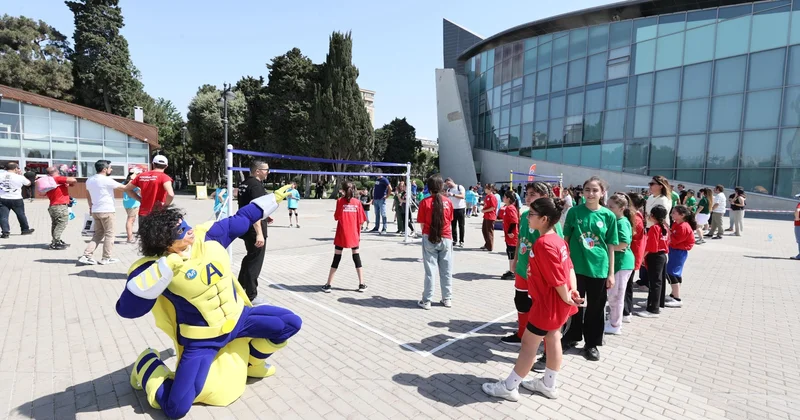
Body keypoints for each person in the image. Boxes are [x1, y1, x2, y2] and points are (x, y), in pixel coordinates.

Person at [118, 185, 300, 419]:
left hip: (239, 319)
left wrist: (272, 198)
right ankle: (147, 365)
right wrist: (162, 271)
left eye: (185, 223)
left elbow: (242, 218)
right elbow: (127, 310)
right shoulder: (152, 267)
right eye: (180, 230)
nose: (189, 229)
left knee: (289, 323)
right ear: (165, 243)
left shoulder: (209, 236)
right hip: (202, 339)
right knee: (176, 408)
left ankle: (252, 364)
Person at [482, 197, 581, 402]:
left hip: (547, 304)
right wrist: (572, 292)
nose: (527, 217)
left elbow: (557, 279)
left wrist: (568, 296)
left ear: (544, 219)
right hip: (557, 304)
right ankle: (548, 384)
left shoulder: (544, 244)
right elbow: (569, 267)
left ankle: (509, 387)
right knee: (553, 338)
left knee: (529, 344)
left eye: (532, 214)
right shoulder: (558, 241)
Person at [502, 182, 563, 365]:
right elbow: (521, 237)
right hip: (523, 269)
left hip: (538, 274)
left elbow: (557, 249)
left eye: (533, 194)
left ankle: (546, 352)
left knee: (541, 311)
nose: (528, 197)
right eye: (527, 194)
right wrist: (515, 260)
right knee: (521, 302)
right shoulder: (526, 215)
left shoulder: (550, 222)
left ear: (545, 197)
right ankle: (521, 333)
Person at [561, 176, 618, 362]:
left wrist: (610, 273)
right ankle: (571, 336)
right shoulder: (574, 212)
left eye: (595, 190)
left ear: (602, 193)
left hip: (599, 269)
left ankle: (591, 343)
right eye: (587, 189)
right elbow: (566, 241)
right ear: (582, 192)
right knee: (574, 304)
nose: (591, 193)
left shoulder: (608, 216)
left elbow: (610, 246)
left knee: (596, 307)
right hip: (575, 268)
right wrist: (564, 266)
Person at [417, 175, 454, 309]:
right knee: (446, 270)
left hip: (429, 238)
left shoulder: (425, 202)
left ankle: (427, 300)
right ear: (441, 187)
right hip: (446, 238)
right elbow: (449, 221)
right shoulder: (448, 202)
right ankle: (447, 298)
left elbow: (422, 224)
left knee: (430, 271)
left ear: (429, 187)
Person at [323, 182, 367, 293]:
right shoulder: (357, 202)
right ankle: (361, 284)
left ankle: (328, 284)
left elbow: (336, 217)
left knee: (336, 258)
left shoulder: (340, 201)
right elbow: (361, 220)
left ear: (343, 190)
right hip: (354, 234)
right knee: (356, 257)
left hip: (342, 233)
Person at [79, 160, 125, 265]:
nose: (111, 169)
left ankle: (86, 255)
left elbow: (88, 195)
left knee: (98, 234)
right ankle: (106, 258)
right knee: (110, 234)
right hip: (107, 210)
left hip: (96, 210)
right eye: (110, 167)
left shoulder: (90, 180)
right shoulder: (106, 180)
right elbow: (124, 188)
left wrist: (90, 207)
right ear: (104, 169)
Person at [237, 161, 271, 304]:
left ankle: (239, 287)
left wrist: (266, 215)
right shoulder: (256, 186)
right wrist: (259, 233)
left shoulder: (245, 183)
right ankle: (251, 295)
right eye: (266, 170)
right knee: (255, 262)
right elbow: (254, 211)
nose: (268, 172)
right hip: (253, 229)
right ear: (257, 171)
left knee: (250, 258)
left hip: (246, 226)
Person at [605, 193, 635, 335]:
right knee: (614, 295)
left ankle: (615, 324)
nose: (608, 208)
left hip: (622, 263)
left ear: (622, 208)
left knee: (616, 296)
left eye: (611, 207)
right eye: (607, 205)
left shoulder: (621, 222)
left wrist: (605, 247)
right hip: (619, 262)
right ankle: (614, 320)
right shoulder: (617, 220)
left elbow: (623, 243)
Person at [637, 205, 669, 318]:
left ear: (652, 215)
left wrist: (641, 258)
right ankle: (655, 303)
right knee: (658, 282)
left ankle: (653, 309)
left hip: (655, 256)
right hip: (662, 256)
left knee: (654, 283)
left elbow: (651, 246)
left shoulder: (655, 228)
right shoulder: (664, 226)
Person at [665, 205, 696, 308]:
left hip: (679, 251)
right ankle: (674, 294)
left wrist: (667, 231)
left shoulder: (683, 226)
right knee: (675, 273)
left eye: (674, 213)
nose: (671, 214)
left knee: (671, 272)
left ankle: (677, 298)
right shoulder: (676, 224)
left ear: (682, 215)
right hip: (674, 250)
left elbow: (674, 240)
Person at [623, 193, 646, 324]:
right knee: (627, 286)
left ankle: (625, 312)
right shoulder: (637, 216)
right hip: (633, 255)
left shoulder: (634, 218)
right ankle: (627, 311)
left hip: (630, 256)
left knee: (625, 287)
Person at [44, 166, 76, 249]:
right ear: (57, 171)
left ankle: (56, 240)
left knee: (55, 224)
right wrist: (69, 176)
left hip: (53, 205)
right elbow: (73, 180)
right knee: (62, 223)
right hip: (60, 206)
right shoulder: (57, 178)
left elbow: (69, 184)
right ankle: (55, 242)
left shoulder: (48, 181)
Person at [0, 162, 35, 239]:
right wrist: (21, 175)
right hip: (16, 198)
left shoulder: (1, 175)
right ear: (16, 168)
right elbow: (28, 183)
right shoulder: (19, 177)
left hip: (3, 197)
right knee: (21, 214)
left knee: (3, 216)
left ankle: (5, 232)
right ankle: (25, 229)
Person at [500, 190, 520, 280]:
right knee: (509, 252)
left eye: (504, 197)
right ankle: (511, 270)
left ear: (508, 198)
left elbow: (514, 221)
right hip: (509, 236)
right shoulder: (508, 207)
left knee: (512, 253)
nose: (503, 198)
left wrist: (510, 232)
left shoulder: (510, 208)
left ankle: (513, 271)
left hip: (512, 236)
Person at [445, 178, 467, 248]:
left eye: (448, 184)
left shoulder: (459, 187)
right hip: (452, 209)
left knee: (461, 225)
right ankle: (454, 240)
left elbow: (462, 196)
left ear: (452, 181)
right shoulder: (448, 190)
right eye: (446, 184)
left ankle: (461, 241)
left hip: (460, 208)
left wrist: (453, 195)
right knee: (453, 225)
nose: (448, 185)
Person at [123, 172, 141, 244]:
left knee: (131, 220)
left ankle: (130, 236)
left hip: (127, 203)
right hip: (133, 204)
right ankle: (130, 237)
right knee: (130, 220)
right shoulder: (133, 184)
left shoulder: (124, 182)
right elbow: (136, 191)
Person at [481, 184, 498, 251]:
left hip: (490, 216)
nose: (485, 189)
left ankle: (490, 246)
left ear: (490, 189)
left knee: (489, 231)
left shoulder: (492, 197)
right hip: (486, 216)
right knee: (484, 230)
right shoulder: (487, 196)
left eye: (486, 188)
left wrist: (485, 210)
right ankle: (487, 244)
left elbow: (493, 207)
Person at [793, 193, 800, 260]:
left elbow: (798, 210)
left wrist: (797, 217)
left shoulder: (799, 204)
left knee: (799, 240)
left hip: (799, 225)